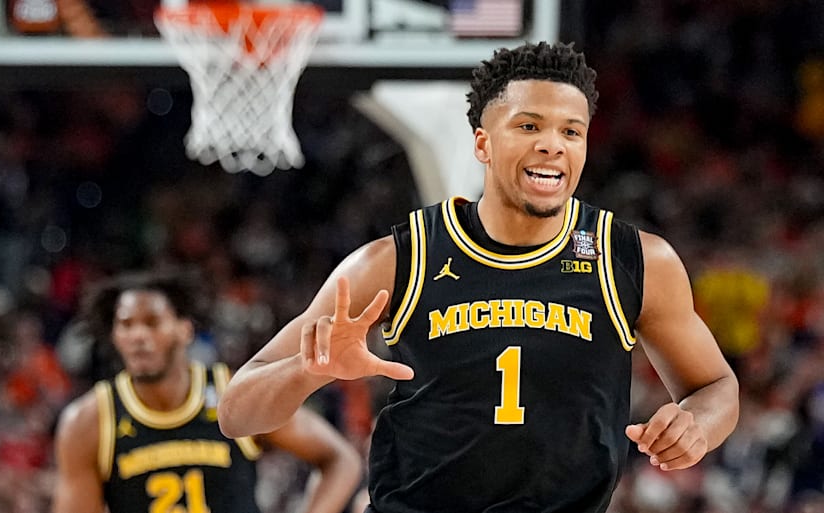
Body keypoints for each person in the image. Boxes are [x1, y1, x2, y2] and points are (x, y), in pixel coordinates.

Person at [216, 41, 740, 513]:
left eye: (571, 131)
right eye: (529, 126)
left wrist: (696, 425)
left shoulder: (633, 259)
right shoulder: (399, 259)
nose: (553, 145)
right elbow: (237, 412)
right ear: (483, 143)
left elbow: (716, 388)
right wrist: (310, 370)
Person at [51, 269, 362, 513]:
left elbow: (340, 459)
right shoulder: (89, 420)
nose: (138, 336)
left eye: (151, 322)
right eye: (127, 325)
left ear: (184, 329)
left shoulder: (233, 393)